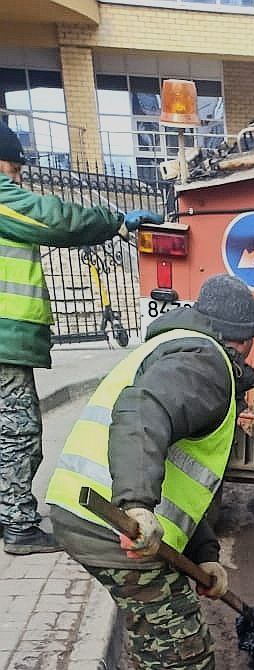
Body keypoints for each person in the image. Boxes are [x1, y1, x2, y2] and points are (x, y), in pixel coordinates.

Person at [46, 275, 254, 670]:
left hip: (85, 513)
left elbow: (186, 474)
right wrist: (138, 506)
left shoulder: (172, 346)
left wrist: (207, 556)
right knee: (183, 660)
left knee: (170, 643)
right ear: (243, 341)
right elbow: (142, 412)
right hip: (112, 523)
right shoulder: (208, 363)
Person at [0, 121, 162, 554]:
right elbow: (54, 219)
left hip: (7, 344)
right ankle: (18, 526)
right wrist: (117, 223)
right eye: (15, 168)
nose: (18, 178)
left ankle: (6, 514)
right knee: (19, 433)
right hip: (3, 344)